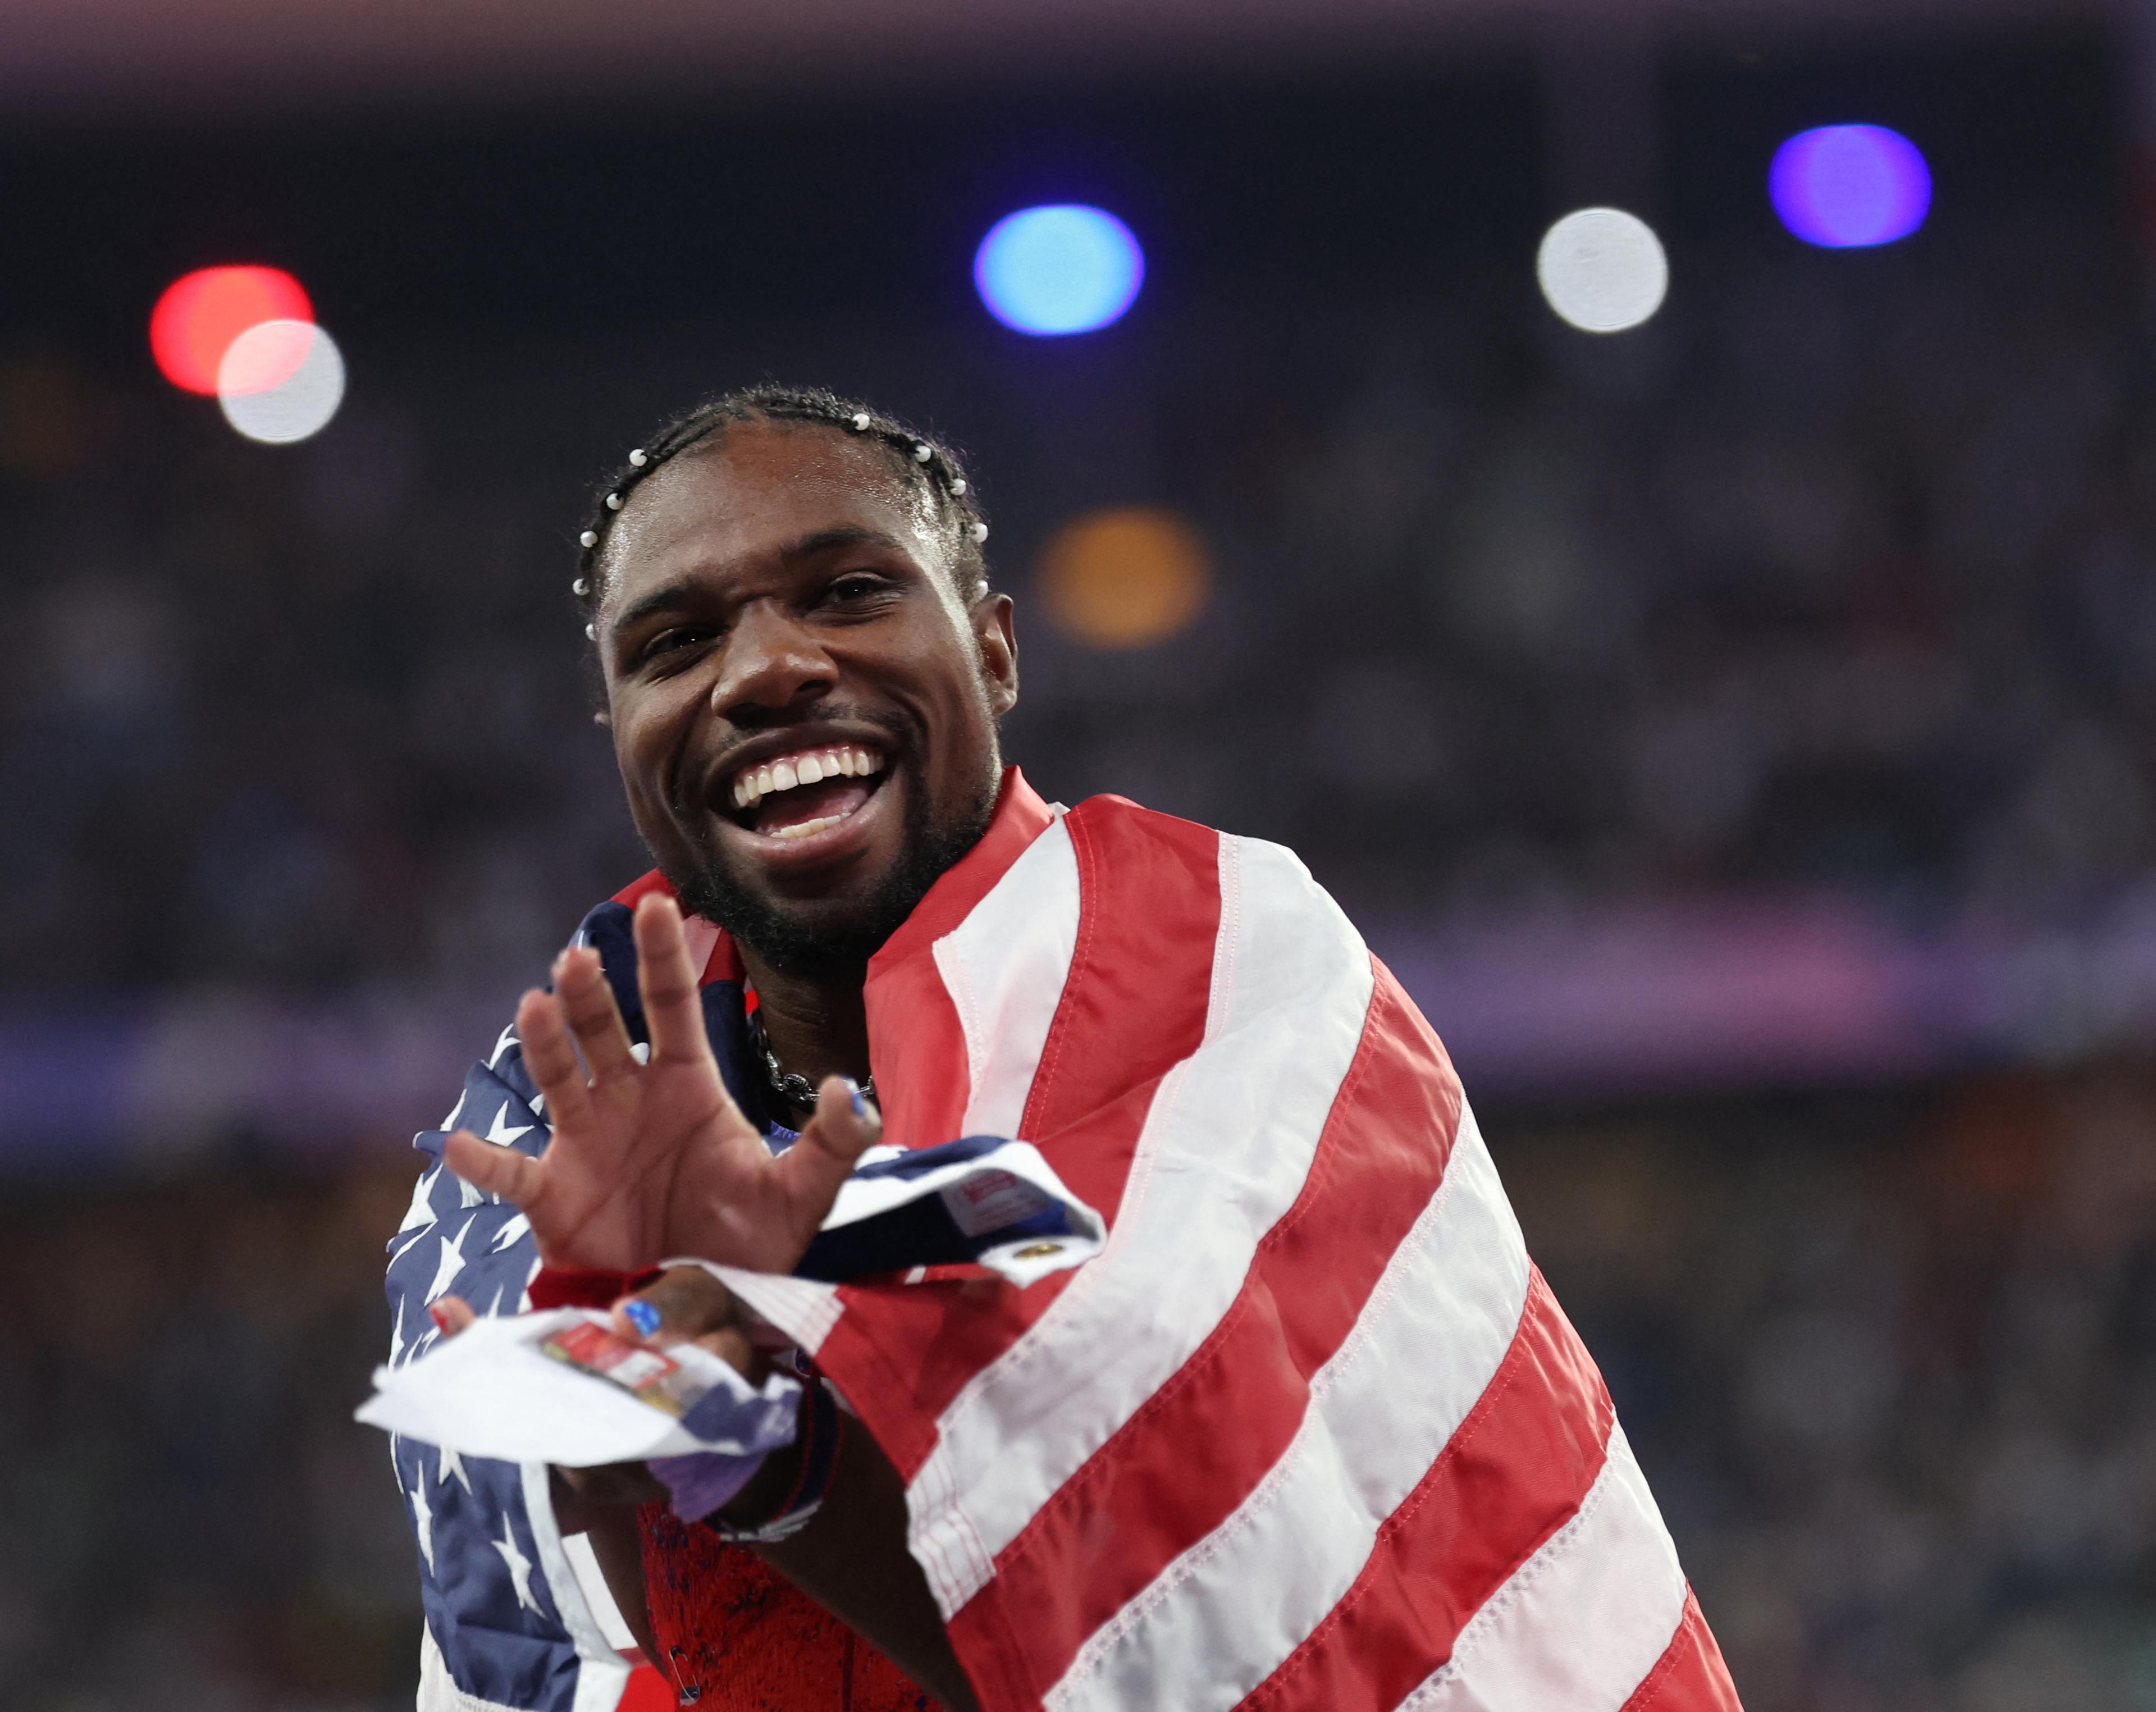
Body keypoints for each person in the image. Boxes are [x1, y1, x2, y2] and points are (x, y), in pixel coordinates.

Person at [383, 385, 1743, 1712]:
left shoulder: (1219, 946)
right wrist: (669, 1381)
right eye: (672, 643)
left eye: (850, 591)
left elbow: (1189, 1570)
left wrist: (761, 1375)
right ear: (618, 730)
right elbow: (559, 1622)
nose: (769, 668)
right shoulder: (544, 1114)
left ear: (994, 649)